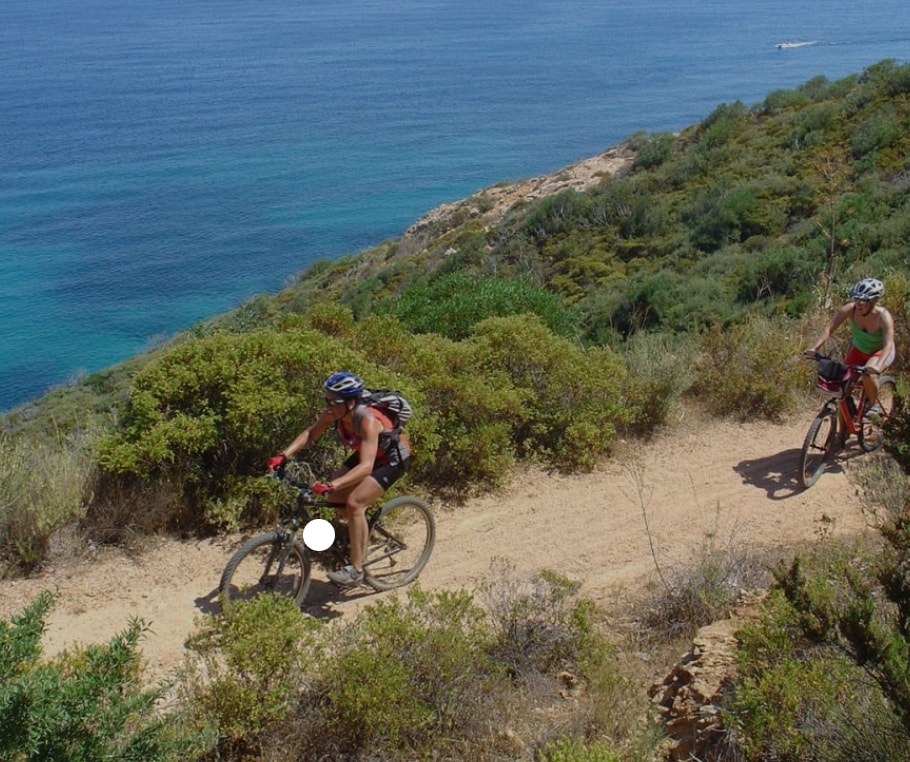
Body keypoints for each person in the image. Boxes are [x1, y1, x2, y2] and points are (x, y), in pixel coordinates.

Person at [267, 372, 411, 586]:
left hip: (392, 459)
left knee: (354, 503)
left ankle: (356, 570)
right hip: (369, 453)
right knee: (335, 498)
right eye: (327, 399)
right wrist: (284, 455)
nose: (329, 406)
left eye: (334, 401)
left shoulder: (367, 421)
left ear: (351, 403)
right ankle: (359, 530)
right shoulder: (334, 413)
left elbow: (365, 467)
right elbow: (311, 433)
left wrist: (333, 484)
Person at [805, 277, 896, 418]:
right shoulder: (850, 310)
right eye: (856, 299)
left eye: (863, 301)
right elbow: (830, 328)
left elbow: (888, 344)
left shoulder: (883, 317)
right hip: (860, 350)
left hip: (880, 352)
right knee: (843, 386)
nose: (858, 304)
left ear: (873, 302)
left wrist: (877, 366)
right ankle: (842, 433)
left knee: (868, 375)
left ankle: (872, 405)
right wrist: (814, 348)